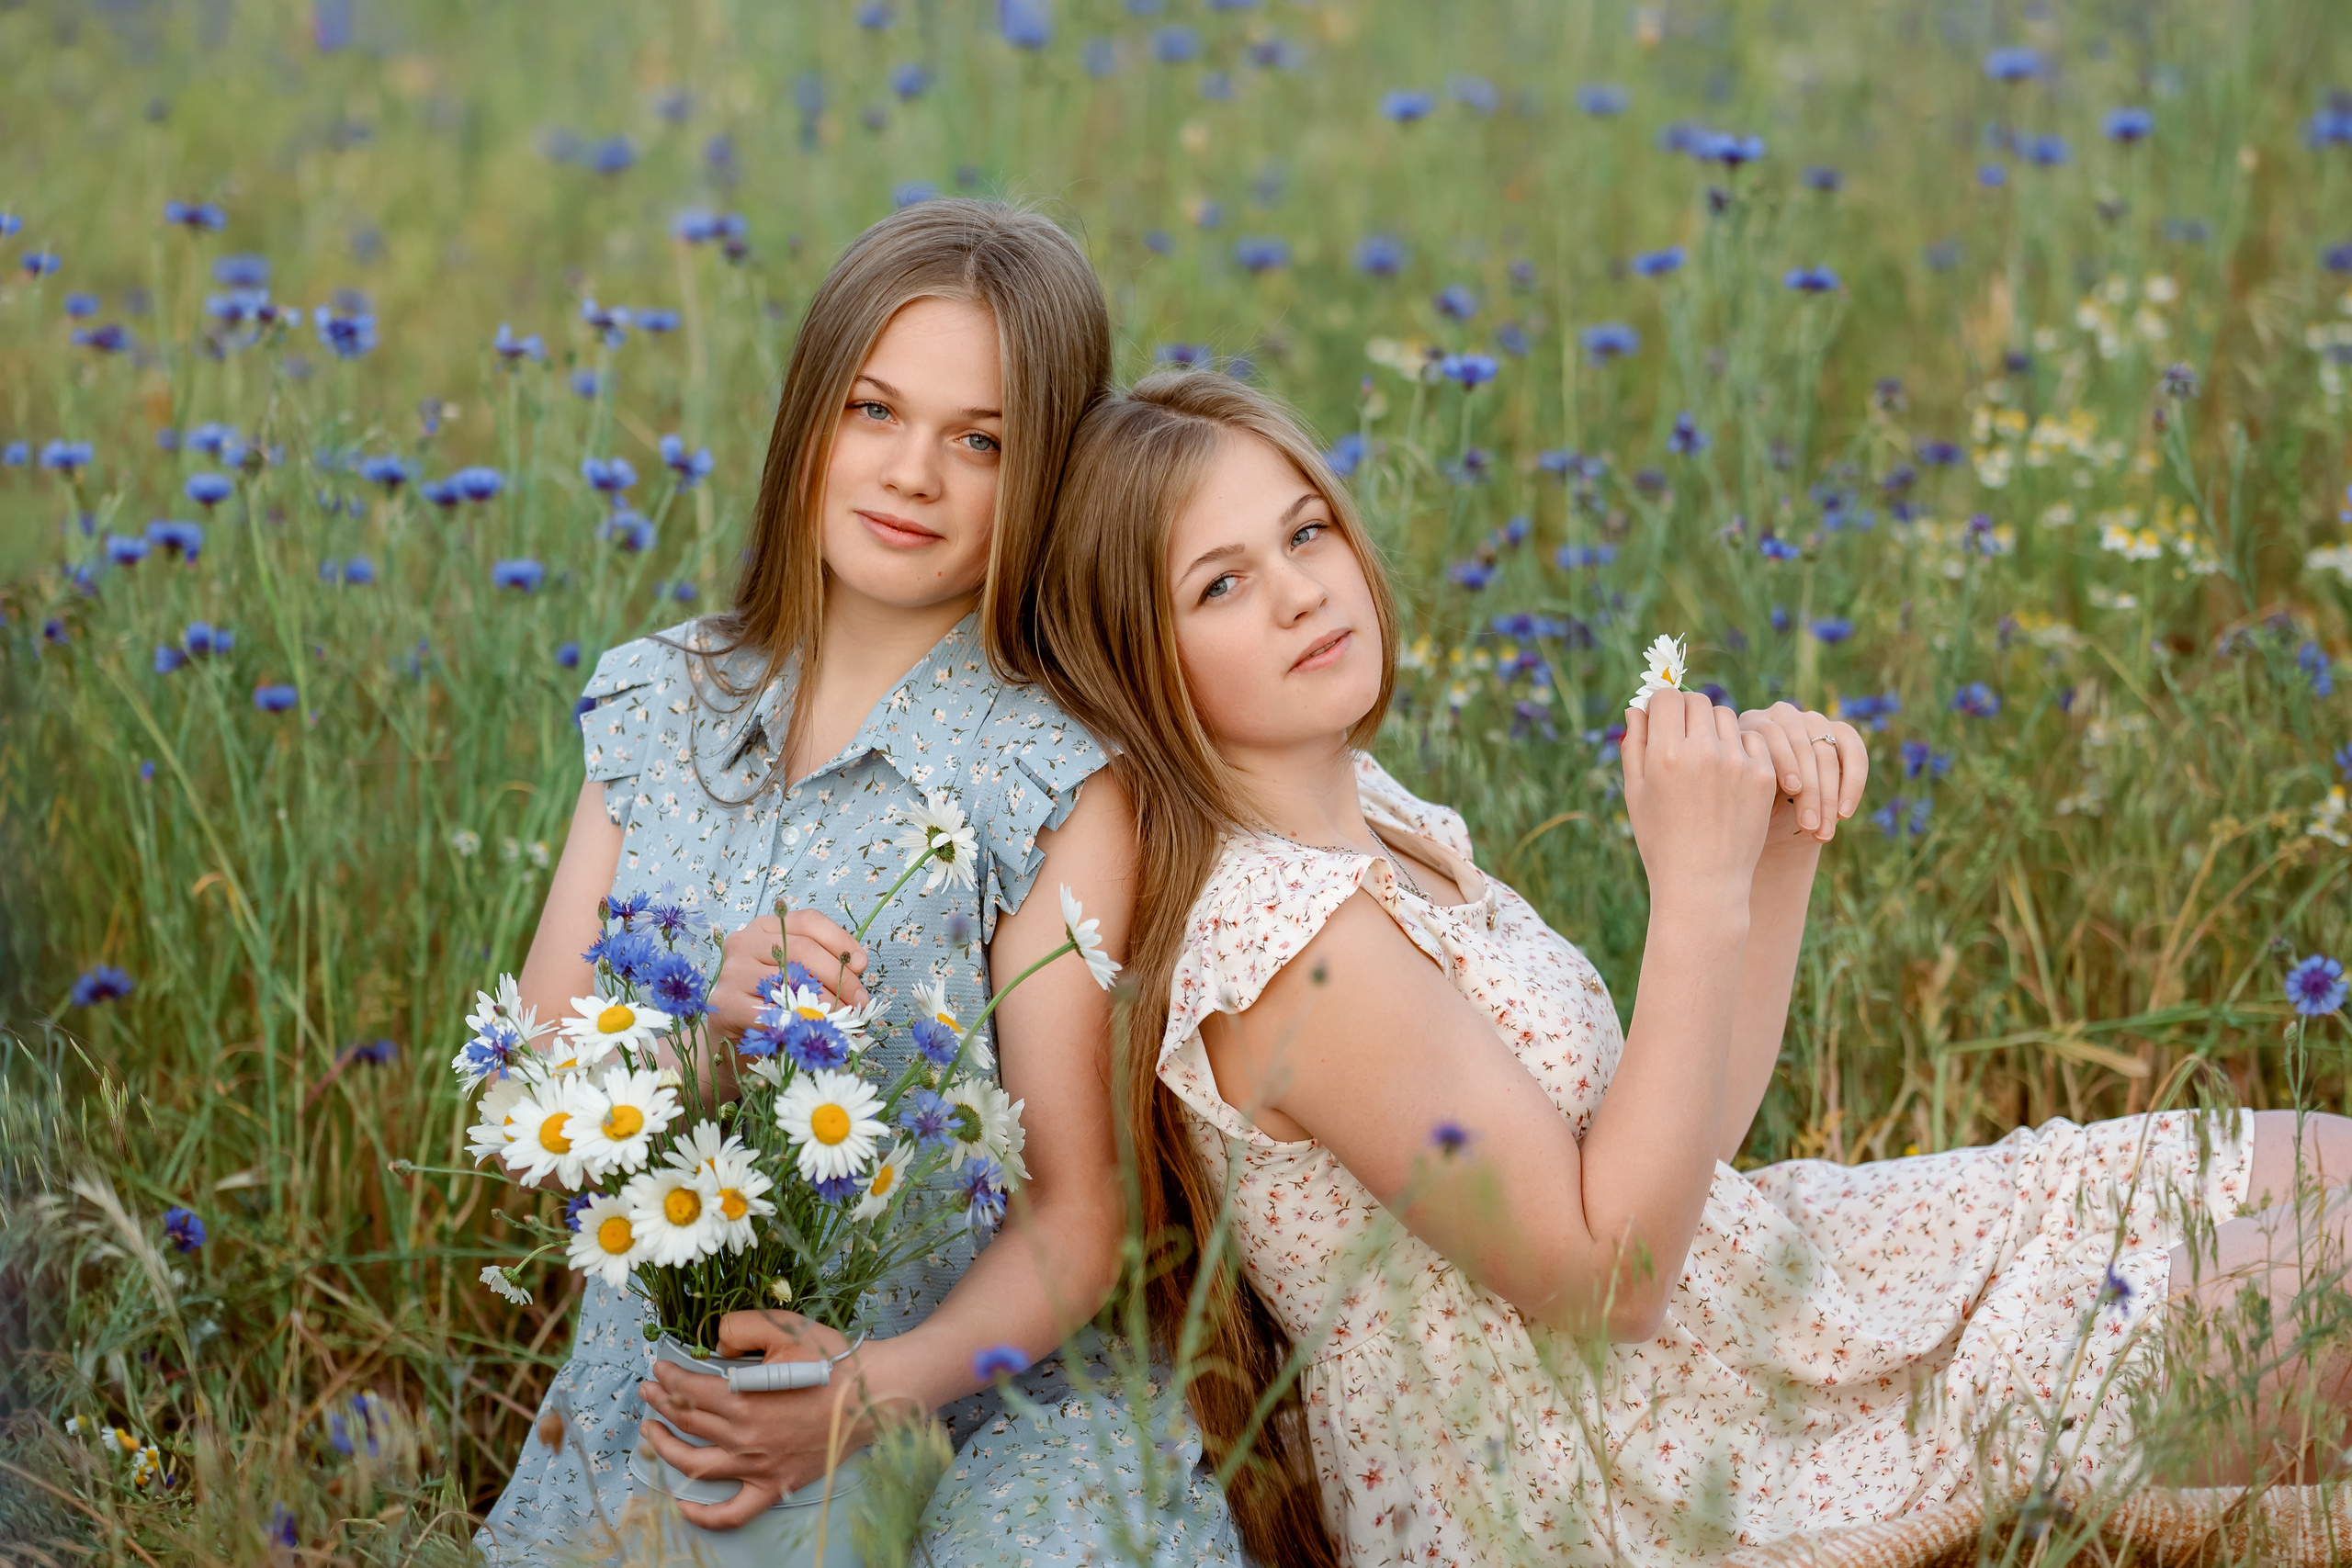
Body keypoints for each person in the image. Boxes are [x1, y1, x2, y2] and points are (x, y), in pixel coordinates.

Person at [1025, 367, 2352, 1566]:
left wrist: (1770, 860)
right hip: (1619, 1473)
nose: (1302, 590)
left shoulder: (1373, 816)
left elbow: (1679, 1155)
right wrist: (1694, 891)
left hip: (1731, 1322)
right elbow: (1607, 1285)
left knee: (2310, 1178)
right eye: (1221, 584)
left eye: (1306, 532)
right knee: (2310, 1296)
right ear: (1141, 662)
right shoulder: (1287, 948)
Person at [474, 203, 1241, 1564]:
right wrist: (700, 1020)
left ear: (1049, 477)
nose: (912, 475)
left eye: (982, 441)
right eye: (874, 410)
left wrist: (863, 1396)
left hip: (952, 1403)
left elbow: (1081, 1214)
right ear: (809, 418)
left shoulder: (1049, 776)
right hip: (674, 1395)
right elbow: (525, 1086)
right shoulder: (665, 702)